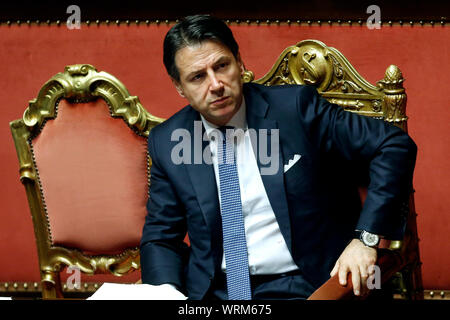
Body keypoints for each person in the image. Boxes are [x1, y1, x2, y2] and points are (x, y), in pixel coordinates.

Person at [140, 14, 417, 300]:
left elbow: (393, 144)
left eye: (221, 66)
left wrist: (366, 239)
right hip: (215, 292)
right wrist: (164, 292)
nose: (215, 85)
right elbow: (161, 237)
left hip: (304, 285)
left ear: (239, 61)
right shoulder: (168, 140)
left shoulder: (295, 109)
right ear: (179, 87)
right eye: (198, 77)